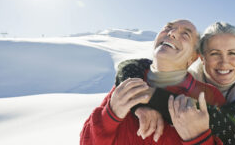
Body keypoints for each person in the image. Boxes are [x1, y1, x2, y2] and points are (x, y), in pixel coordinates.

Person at [115, 22, 235, 144]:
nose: (224, 62)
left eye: (232, 53)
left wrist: (152, 97)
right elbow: (133, 65)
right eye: (214, 53)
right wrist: (138, 102)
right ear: (202, 58)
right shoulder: (190, 79)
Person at [80, 20, 223, 144]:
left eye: (185, 34)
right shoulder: (129, 80)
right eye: (168, 27)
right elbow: (86, 141)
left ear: (193, 57)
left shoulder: (208, 95)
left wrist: (199, 139)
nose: (171, 33)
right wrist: (111, 114)